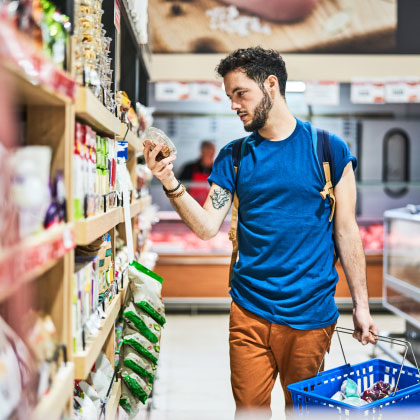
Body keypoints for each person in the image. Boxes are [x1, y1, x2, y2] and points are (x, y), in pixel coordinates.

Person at [143, 47, 378, 418]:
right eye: (230, 97)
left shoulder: (329, 150)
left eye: (241, 93)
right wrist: (168, 179)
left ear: (271, 85)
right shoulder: (233, 157)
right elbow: (206, 226)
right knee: (249, 410)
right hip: (248, 311)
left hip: (311, 314)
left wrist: (362, 307)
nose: (234, 105)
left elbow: (347, 233)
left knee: (305, 411)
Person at [178, 140, 216, 206]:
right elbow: (179, 188)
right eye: (208, 153)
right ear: (202, 152)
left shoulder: (217, 171)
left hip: (210, 207)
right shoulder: (189, 168)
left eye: (212, 153)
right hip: (190, 206)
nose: (210, 156)